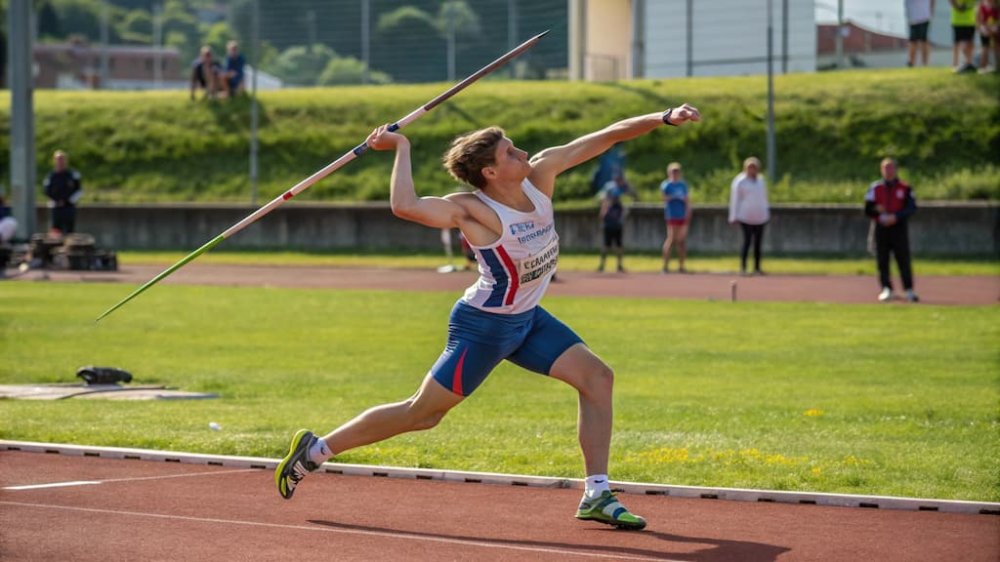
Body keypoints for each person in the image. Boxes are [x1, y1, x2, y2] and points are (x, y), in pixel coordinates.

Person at [274, 103, 703, 531]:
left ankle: (597, 493)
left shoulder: (542, 174)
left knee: (597, 378)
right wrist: (400, 146)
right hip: (483, 327)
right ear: (491, 174)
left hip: (528, 319)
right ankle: (315, 450)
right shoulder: (472, 210)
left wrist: (663, 118)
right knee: (422, 414)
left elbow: (608, 135)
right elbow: (405, 206)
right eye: (510, 153)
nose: (522, 154)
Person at [865, 158, 919, 303]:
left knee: (903, 258)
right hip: (881, 228)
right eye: (885, 168)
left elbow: (911, 207)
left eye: (890, 168)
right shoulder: (875, 188)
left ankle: (909, 289)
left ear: (895, 170)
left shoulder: (905, 188)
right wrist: (878, 213)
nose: (888, 171)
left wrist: (896, 216)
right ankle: (886, 289)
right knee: (882, 259)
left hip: (898, 227)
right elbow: (868, 209)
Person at [728, 156, 769, 276]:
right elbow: (735, 199)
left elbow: (764, 198)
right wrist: (733, 216)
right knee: (747, 242)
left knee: (758, 243)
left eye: (754, 168)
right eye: (750, 167)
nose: (752, 170)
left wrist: (766, 212)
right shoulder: (740, 181)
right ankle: (743, 267)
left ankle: (757, 267)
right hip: (745, 216)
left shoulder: (761, 180)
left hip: (760, 216)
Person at [597, 174, 634, 273]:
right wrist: (602, 220)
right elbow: (602, 212)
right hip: (609, 224)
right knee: (606, 245)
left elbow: (630, 197)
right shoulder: (607, 205)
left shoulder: (620, 205)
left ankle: (619, 265)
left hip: (617, 225)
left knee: (619, 245)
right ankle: (602, 265)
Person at [660, 162, 691, 273]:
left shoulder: (683, 185)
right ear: (669, 172)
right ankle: (665, 266)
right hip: (671, 214)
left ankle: (681, 266)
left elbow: (687, 200)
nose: (675, 173)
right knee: (671, 239)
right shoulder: (666, 185)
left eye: (677, 171)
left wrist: (688, 212)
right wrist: (675, 197)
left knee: (681, 241)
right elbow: (664, 198)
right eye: (673, 171)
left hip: (682, 214)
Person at [43, 150, 83, 234]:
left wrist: (67, 201)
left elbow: (79, 190)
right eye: (58, 159)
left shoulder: (73, 174)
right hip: (56, 207)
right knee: (55, 231)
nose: (60, 162)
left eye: (62, 159)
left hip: (69, 207)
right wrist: (56, 201)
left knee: (69, 230)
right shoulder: (50, 176)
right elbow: (46, 191)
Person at [906, 0, 936, 66]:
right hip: (912, 18)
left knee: (923, 40)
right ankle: (911, 63)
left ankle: (925, 63)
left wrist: (931, 11)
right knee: (912, 41)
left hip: (924, 17)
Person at [951, 0, 978, 72]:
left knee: (970, 43)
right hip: (957, 20)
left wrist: (966, 6)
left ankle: (969, 63)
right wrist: (958, 6)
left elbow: (975, 2)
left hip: (970, 20)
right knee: (958, 43)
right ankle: (955, 64)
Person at [977, 0, 999, 72]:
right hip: (985, 28)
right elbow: (978, 18)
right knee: (985, 47)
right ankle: (983, 67)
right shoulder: (982, 4)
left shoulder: (996, 4)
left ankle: (997, 66)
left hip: (994, 27)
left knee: (996, 47)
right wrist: (981, 27)